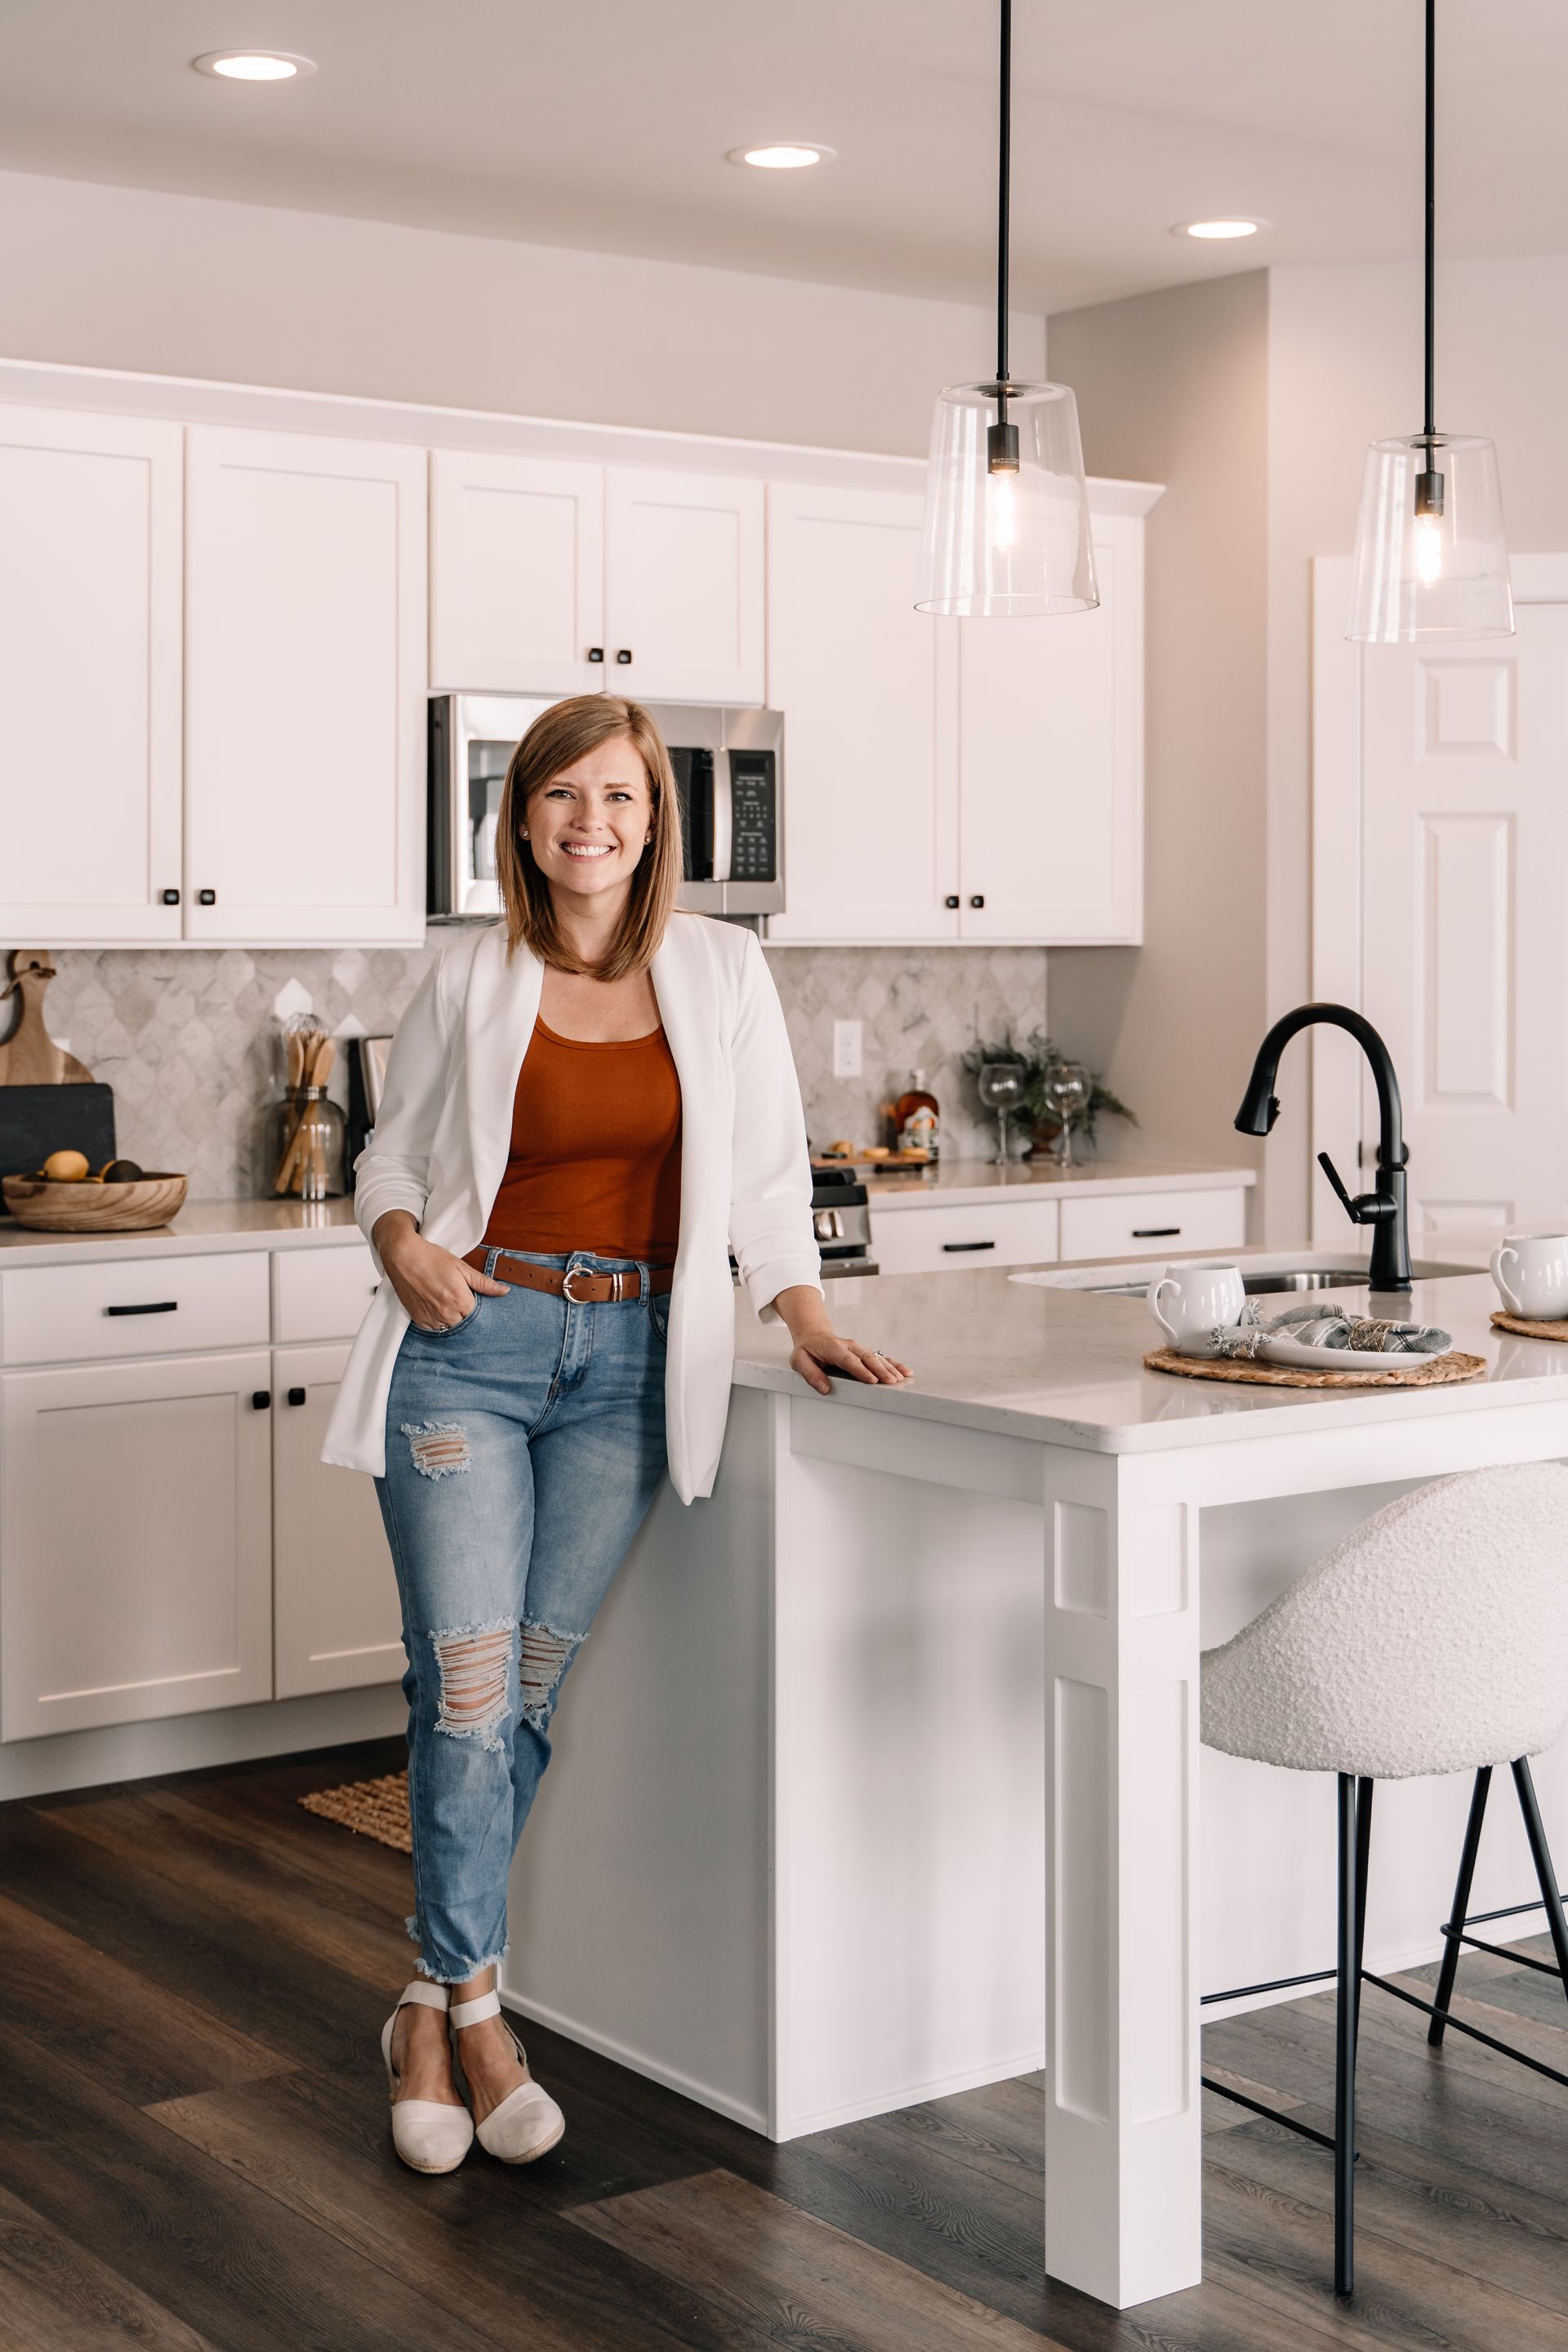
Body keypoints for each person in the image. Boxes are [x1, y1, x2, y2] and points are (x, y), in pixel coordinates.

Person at [322, 693, 911, 2172]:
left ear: (660, 824)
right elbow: (390, 1148)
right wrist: (399, 1242)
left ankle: (422, 2008)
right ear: (520, 819)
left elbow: (771, 1172)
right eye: (566, 796)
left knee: (522, 1692)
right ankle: (481, 2010)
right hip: (473, 1344)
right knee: (463, 1691)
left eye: (625, 798)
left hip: (635, 1362)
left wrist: (802, 1310)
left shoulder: (720, 969)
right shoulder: (469, 975)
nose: (596, 821)